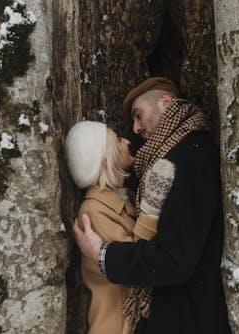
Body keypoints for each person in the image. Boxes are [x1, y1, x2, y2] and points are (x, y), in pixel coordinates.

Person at [73, 77, 231, 334]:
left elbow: (173, 259)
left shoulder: (189, 156)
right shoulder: (171, 159)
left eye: (139, 115)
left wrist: (103, 254)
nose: (134, 130)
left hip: (189, 319)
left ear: (165, 102)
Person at [65, 121, 176, 334]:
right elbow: (136, 263)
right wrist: (151, 209)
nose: (126, 141)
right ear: (105, 160)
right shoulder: (94, 211)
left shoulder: (123, 199)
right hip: (116, 326)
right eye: (116, 140)